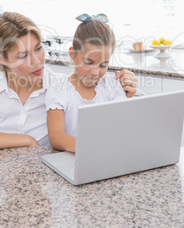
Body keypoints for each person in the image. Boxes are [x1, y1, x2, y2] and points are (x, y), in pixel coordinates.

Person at [0, 12, 137, 153]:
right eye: (23, 55)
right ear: (2, 59)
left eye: (38, 48)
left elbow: (95, 94)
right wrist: (25, 140)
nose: (37, 61)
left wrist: (126, 85)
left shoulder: (58, 85)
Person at [46, 14, 131, 153]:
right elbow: (56, 136)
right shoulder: (59, 88)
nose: (95, 72)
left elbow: (122, 126)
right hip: (75, 156)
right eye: (89, 63)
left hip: (109, 154)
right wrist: (89, 149)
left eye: (103, 65)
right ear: (72, 54)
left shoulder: (112, 86)